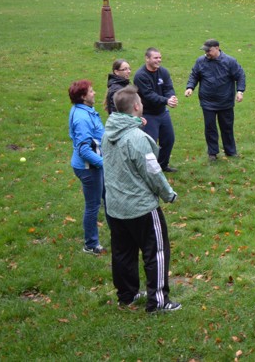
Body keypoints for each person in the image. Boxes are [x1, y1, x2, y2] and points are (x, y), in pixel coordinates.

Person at [102, 86, 181, 313]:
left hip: (115, 206)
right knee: (156, 251)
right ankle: (158, 301)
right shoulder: (136, 138)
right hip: (141, 208)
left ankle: (126, 294)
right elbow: (153, 172)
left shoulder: (108, 133)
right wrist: (168, 194)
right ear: (137, 106)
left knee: (123, 251)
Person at [185, 39, 246, 160]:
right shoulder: (200, 61)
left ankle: (230, 151)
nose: (207, 53)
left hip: (225, 101)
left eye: (209, 50)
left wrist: (240, 91)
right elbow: (194, 75)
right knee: (210, 127)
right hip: (207, 102)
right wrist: (190, 87)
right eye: (205, 50)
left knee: (227, 127)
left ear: (217, 48)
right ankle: (212, 152)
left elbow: (240, 76)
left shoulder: (230, 61)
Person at [68, 79, 106, 255]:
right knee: (93, 205)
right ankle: (90, 244)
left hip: (94, 165)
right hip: (88, 168)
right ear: (83, 97)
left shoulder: (84, 110)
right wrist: (104, 164)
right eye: (91, 91)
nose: (94, 93)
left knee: (107, 196)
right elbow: (84, 149)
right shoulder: (82, 118)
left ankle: (121, 231)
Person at [133, 47, 178, 172]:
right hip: (148, 114)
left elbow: (168, 87)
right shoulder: (140, 76)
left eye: (160, 57)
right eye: (155, 58)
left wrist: (171, 97)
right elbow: (148, 95)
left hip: (162, 113)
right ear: (147, 59)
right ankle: (147, 171)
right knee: (150, 144)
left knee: (169, 140)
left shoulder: (163, 72)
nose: (159, 60)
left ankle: (162, 165)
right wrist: (166, 101)